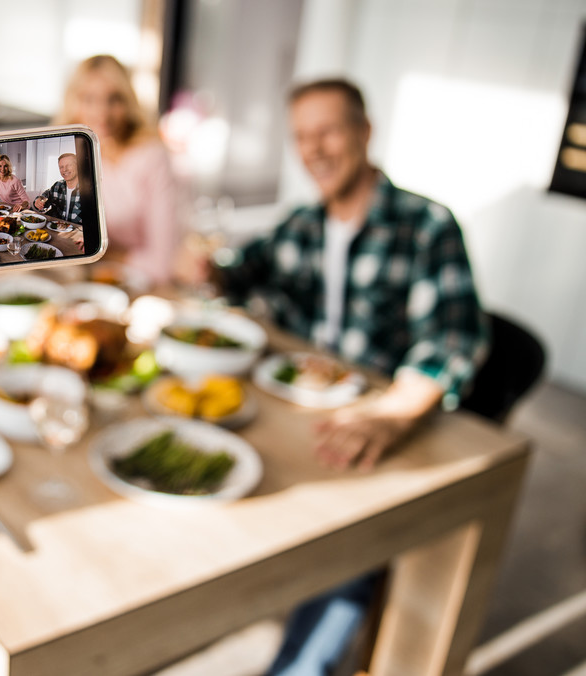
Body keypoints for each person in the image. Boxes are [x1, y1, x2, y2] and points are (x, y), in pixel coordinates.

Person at [197, 78, 488, 675]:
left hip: (376, 424)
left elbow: (455, 340)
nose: (316, 149)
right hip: (292, 411)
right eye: (303, 137)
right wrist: (206, 263)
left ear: (365, 132)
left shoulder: (427, 225)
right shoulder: (303, 222)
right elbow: (238, 271)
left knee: (349, 546)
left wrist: (393, 413)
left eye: (329, 131)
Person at [55, 54, 181, 284]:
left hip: (138, 283)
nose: (102, 114)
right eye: (89, 99)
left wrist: (106, 253)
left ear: (129, 103)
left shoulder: (151, 156)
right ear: (73, 103)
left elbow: (162, 264)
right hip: (76, 280)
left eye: (114, 99)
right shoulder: (66, 154)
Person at [33, 152, 82, 225]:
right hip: (56, 228)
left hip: (77, 233)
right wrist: (39, 201)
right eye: (61, 167)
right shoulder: (58, 185)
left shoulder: (89, 189)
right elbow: (44, 197)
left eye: (69, 165)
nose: (64, 169)